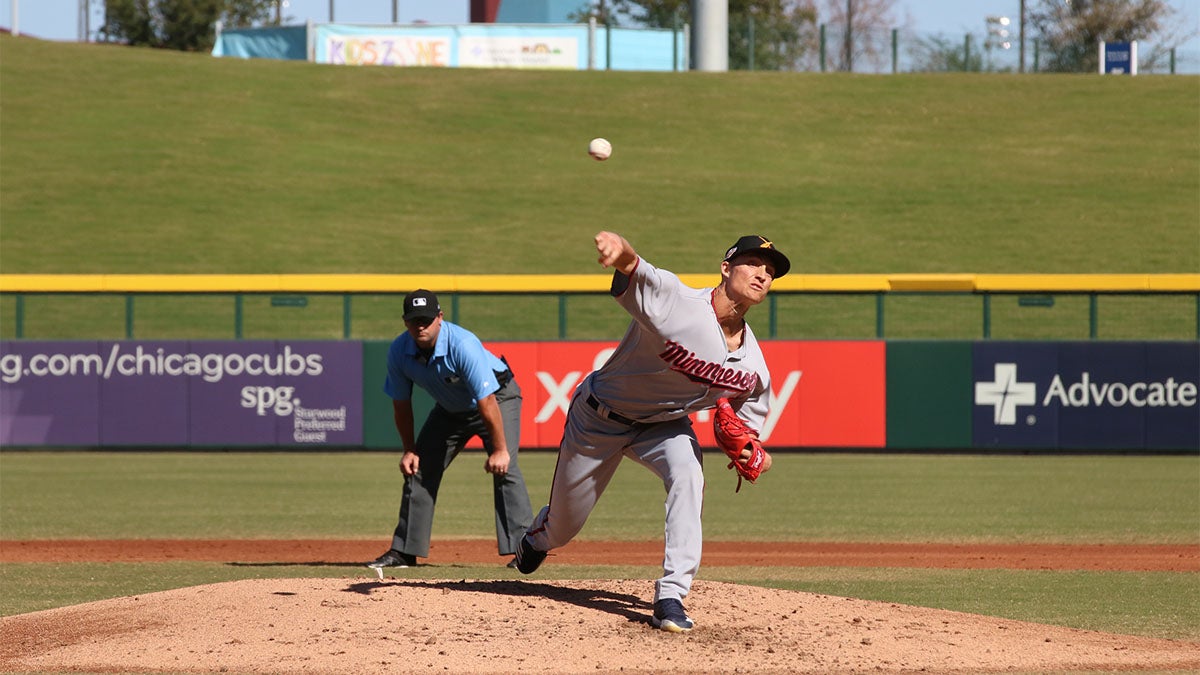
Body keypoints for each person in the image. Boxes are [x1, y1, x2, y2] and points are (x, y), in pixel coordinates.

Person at [513, 232, 784, 633]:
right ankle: (535, 539)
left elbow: (749, 433)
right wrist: (620, 250)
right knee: (563, 528)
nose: (762, 273)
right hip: (599, 418)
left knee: (689, 475)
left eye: (771, 270)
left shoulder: (754, 368)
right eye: (752, 263)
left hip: (664, 425)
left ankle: (672, 594)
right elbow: (634, 268)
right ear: (725, 268)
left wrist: (752, 452)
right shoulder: (677, 301)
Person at [368, 289, 534, 570]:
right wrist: (409, 449)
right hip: (451, 408)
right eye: (414, 320)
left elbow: (487, 400)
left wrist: (500, 450)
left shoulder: (462, 344)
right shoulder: (399, 351)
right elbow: (401, 405)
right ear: (405, 322)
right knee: (418, 467)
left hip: (498, 398)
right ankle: (404, 552)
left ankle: (525, 551)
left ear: (440, 318)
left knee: (506, 467)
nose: (420, 325)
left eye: (426, 319)